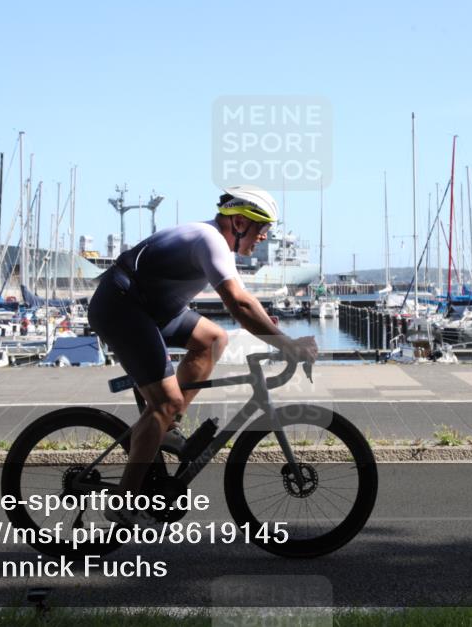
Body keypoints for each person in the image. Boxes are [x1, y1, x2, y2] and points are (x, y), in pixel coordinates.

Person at [88, 185, 318, 526]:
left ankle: (166, 427)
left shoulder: (215, 242)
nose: (264, 237)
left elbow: (245, 299)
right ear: (239, 222)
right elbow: (238, 304)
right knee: (164, 402)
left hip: (151, 308)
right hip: (121, 307)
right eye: (261, 229)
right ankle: (123, 502)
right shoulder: (209, 241)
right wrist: (288, 345)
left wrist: (269, 326)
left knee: (213, 339)